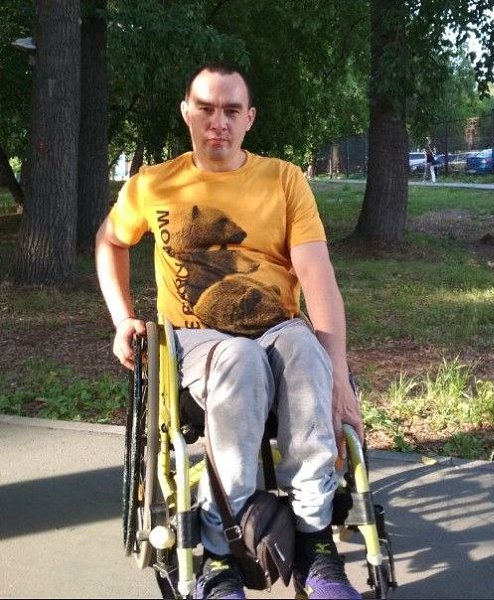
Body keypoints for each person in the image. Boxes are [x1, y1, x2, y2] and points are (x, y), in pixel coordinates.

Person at [95, 63, 363, 600]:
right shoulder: (153, 183)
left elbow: (317, 276)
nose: (218, 121)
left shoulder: (284, 179)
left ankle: (314, 545)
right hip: (196, 342)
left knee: (305, 349)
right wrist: (123, 318)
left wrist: (339, 373)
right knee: (239, 358)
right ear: (187, 112)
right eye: (206, 108)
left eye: (231, 110)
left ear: (249, 118)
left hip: (277, 329)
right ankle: (220, 554)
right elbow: (111, 241)